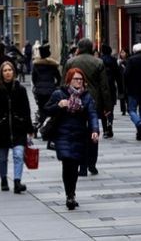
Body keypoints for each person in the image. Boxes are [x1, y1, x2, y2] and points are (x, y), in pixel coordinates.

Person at [43, 68, 99, 210]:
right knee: (67, 163)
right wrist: (59, 105)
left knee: (74, 167)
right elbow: (46, 109)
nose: (79, 81)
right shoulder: (59, 94)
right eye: (76, 79)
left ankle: (71, 193)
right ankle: (69, 195)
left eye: (81, 79)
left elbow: (92, 115)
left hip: (80, 135)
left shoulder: (86, 96)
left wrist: (94, 130)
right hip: (62, 134)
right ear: (69, 80)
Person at [62, 38, 111, 176]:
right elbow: (104, 87)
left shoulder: (70, 62)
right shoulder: (98, 62)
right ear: (91, 48)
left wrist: (63, 101)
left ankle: (81, 166)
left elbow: (63, 83)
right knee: (93, 132)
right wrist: (107, 106)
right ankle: (92, 164)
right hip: (94, 101)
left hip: (74, 101)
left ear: (78, 48)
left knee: (78, 133)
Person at [0, 61, 35, 193]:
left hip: (18, 127)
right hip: (2, 128)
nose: (8, 72)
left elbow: (26, 110)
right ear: (1, 74)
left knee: (18, 155)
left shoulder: (21, 89)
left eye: (10, 70)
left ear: (14, 72)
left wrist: (29, 128)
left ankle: (17, 181)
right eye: (5, 70)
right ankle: (3, 179)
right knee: (2, 157)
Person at [31, 43, 61, 130]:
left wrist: (37, 85)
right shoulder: (52, 65)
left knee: (41, 108)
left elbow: (34, 78)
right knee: (50, 108)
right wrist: (55, 85)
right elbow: (58, 78)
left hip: (39, 91)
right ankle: (48, 126)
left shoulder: (36, 65)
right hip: (51, 90)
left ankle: (39, 124)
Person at [98, 44, 121, 139]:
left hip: (101, 88)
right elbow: (118, 76)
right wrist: (121, 89)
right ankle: (110, 125)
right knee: (110, 109)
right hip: (111, 87)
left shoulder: (99, 61)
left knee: (103, 109)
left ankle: (105, 129)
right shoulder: (114, 61)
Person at [117, 48, 129, 115]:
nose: (122, 54)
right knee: (122, 96)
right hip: (120, 80)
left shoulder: (129, 61)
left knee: (127, 95)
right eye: (121, 52)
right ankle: (123, 110)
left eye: (123, 52)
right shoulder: (118, 62)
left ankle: (128, 107)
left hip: (127, 80)